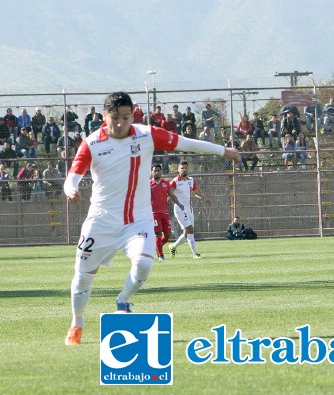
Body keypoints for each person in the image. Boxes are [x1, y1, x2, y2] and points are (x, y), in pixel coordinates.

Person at [63, 91, 239, 346]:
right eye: (115, 118)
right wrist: (71, 189)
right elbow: (73, 176)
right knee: (82, 278)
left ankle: (123, 300)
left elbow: (186, 143)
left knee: (144, 264)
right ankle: (77, 322)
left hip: (138, 220)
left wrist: (223, 150)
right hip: (100, 221)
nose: (121, 123)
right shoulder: (92, 143)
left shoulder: (146, 135)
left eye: (126, 117)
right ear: (105, 116)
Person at [168, 160, 211, 260]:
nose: (184, 169)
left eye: (185, 168)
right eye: (182, 168)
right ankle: (195, 254)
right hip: (179, 209)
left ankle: (173, 247)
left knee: (186, 233)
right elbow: (168, 193)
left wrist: (205, 199)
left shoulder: (191, 180)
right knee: (190, 229)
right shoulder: (175, 181)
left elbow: (196, 193)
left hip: (189, 209)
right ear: (178, 170)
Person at [150, 164, 183, 260]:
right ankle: (160, 255)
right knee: (158, 234)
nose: (157, 172)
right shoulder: (148, 184)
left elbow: (172, 195)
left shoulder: (166, 183)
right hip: (154, 214)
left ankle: (157, 246)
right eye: (155, 171)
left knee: (168, 235)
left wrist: (179, 204)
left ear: (161, 171)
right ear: (151, 172)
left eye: (158, 170)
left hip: (165, 213)